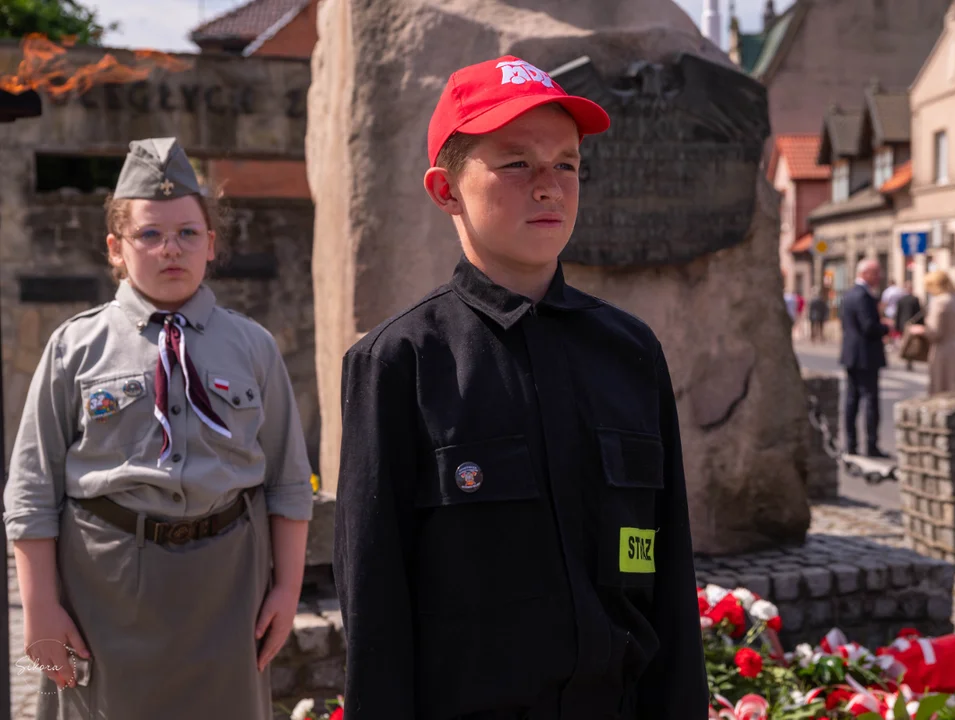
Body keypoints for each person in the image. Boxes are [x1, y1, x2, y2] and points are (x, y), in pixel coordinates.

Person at [332, 56, 706, 719]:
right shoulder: (401, 363)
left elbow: (668, 577)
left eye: (565, 164)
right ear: (445, 190)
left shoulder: (629, 352)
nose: (548, 187)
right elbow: (375, 599)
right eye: (515, 164)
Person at [3, 138, 314, 719]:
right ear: (115, 249)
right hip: (106, 581)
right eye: (149, 234)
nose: (170, 248)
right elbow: (31, 487)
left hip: (228, 582)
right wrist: (41, 606)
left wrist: (286, 588)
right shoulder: (75, 347)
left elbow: (289, 481)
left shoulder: (252, 347)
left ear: (212, 245)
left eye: (188, 233)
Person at [839, 258, 891, 458]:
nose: (880, 277)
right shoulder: (863, 296)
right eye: (876, 273)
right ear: (865, 273)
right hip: (865, 356)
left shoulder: (850, 294)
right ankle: (870, 445)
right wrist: (886, 327)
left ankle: (851, 444)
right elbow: (868, 327)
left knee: (852, 400)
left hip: (851, 354)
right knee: (869, 401)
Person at [908, 271, 955, 395]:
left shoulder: (939, 302)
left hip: (945, 352)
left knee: (943, 394)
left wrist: (921, 330)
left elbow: (934, 332)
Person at [894, 281, 923, 371]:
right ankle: (908, 358)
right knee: (910, 343)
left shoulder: (901, 300)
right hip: (912, 324)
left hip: (904, 324)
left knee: (906, 342)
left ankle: (907, 358)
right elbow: (919, 313)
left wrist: (897, 325)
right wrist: (921, 324)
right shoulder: (914, 299)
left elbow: (898, 314)